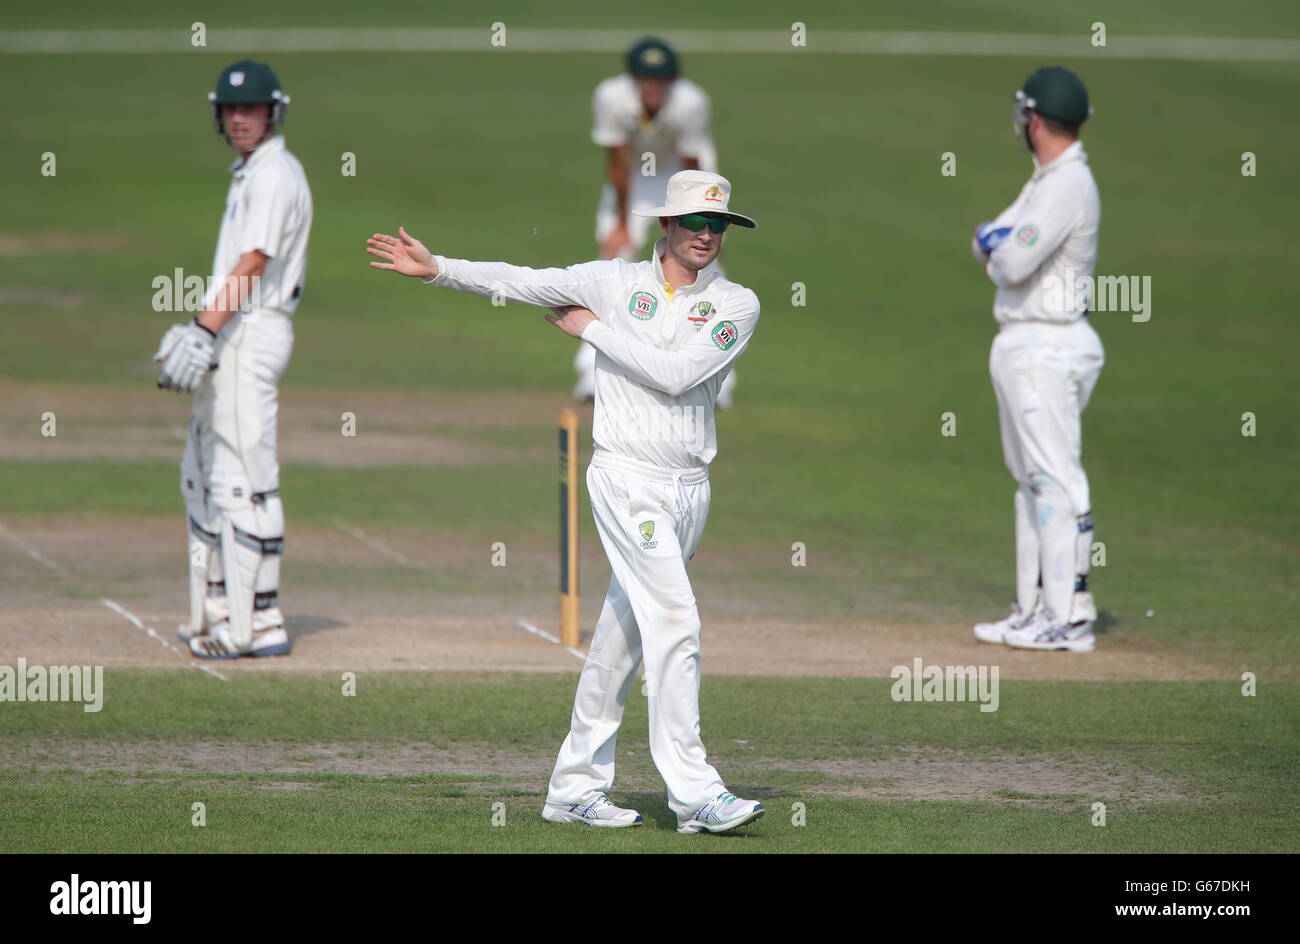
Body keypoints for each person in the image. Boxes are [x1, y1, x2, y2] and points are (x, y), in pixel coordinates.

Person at [367, 170, 765, 833]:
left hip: (689, 487)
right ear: (666, 224)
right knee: (675, 618)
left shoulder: (736, 304)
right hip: (625, 477)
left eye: (717, 224)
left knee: (621, 634)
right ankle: (696, 793)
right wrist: (440, 269)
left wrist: (591, 331)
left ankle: (573, 787)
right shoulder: (614, 283)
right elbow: (523, 279)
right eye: (695, 221)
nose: (706, 235)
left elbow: (677, 377)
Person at [153, 60, 312, 659]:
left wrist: (202, 330)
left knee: (245, 477)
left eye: (252, 109)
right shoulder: (250, 173)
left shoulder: (274, 176)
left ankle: (261, 623)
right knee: (205, 472)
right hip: (233, 331)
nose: (241, 118)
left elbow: (253, 264)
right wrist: (207, 332)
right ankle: (219, 607)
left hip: (253, 332)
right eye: (231, 109)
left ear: (274, 110)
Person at [970, 66, 1104, 653]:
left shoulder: (1066, 185)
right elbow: (988, 238)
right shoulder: (1045, 179)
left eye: (1024, 114)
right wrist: (995, 243)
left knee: (1054, 480)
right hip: (1026, 342)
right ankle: (1032, 610)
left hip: (1048, 344)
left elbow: (1007, 260)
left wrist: (996, 245)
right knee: (1031, 481)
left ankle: (1069, 614)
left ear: (1036, 119)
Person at [574, 37, 736, 409]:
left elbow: (693, 162)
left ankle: (717, 380)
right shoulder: (610, 97)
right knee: (613, 263)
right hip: (633, 176)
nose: (653, 88)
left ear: (672, 81)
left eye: (661, 80)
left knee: (707, 268)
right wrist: (619, 223)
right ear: (633, 78)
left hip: (683, 174)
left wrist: (702, 221)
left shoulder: (690, 103)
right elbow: (616, 163)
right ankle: (592, 374)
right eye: (646, 79)